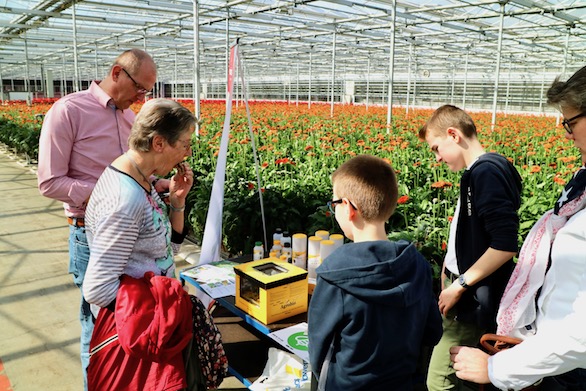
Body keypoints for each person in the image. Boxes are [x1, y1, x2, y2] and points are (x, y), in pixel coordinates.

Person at [450, 67, 586, 390]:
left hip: (569, 368)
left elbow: (579, 332)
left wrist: (498, 369)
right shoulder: (581, 188)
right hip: (551, 357)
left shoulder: (486, 173)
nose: (566, 134)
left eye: (571, 122)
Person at [37, 48, 159, 389]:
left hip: (131, 235)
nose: (142, 97)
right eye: (140, 88)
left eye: (147, 91)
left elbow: (135, 174)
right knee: (99, 325)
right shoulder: (68, 111)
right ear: (117, 72)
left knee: (132, 320)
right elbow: (49, 182)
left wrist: (161, 182)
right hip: (90, 236)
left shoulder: (129, 117)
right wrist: (111, 191)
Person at [82, 98, 196, 390]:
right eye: (184, 144)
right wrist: (162, 311)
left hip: (146, 331)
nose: (188, 152)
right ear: (159, 142)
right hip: (135, 340)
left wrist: (178, 202)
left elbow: (162, 249)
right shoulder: (125, 200)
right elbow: (98, 287)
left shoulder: (141, 180)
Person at [308, 154, 443, 390]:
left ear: (348, 208)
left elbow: (318, 347)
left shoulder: (336, 273)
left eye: (334, 203)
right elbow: (432, 332)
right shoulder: (417, 265)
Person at [419, 105, 523, 391]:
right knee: (462, 375)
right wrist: (447, 273)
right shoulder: (480, 171)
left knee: (439, 382)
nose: (437, 158)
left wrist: (459, 285)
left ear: (453, 134)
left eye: (437, 148)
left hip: (471, 296)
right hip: (464, 291)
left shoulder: (486, 172)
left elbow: (504, 245)